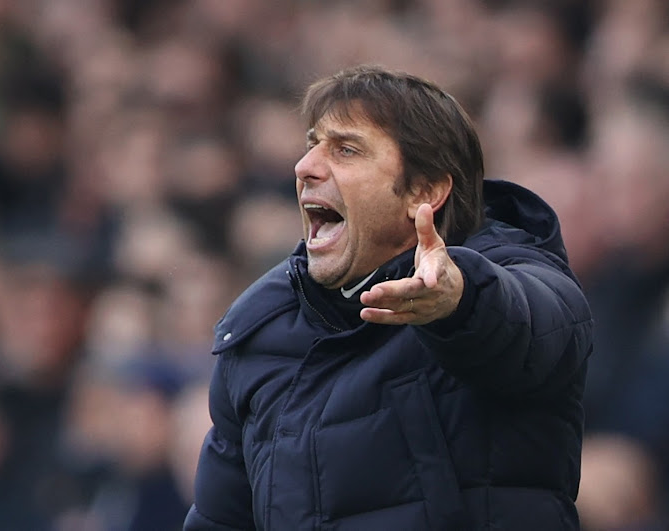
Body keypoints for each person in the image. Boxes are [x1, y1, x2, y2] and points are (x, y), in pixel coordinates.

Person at [184, 65, 593, 530]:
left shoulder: (510, 270)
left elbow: (538, 327)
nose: (305, 167)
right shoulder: (258, 331)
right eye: (311, 145)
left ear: (425, 191)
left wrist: (460, 303)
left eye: (346, 149)